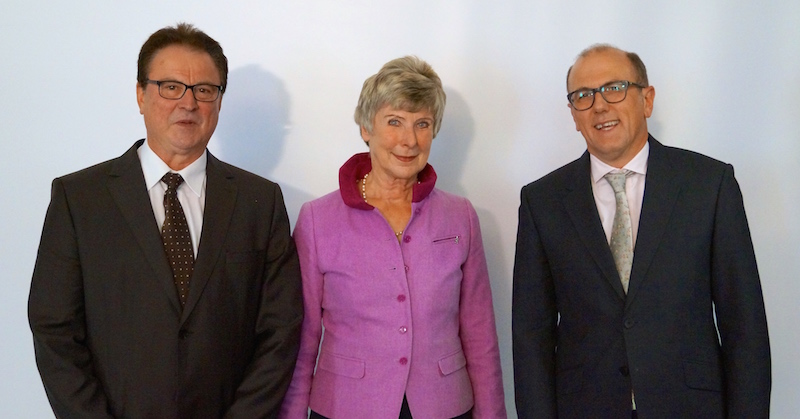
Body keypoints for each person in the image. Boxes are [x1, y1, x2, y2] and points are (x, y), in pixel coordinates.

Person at [28, 23, 303, 418]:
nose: (188, 103)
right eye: (171, 87)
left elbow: (280, 331)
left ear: (219, 101)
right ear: (141, 95)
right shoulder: (79, 198)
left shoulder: (259, 202)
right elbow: (54, 330)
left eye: (204, 90)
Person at [512, 44, 771, 418]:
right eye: (583, 96)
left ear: (646, 100)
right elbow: (531, 337)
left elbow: (744, 325)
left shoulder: (709, 185)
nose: (599, 105)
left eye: (614, 88)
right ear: (573, 115)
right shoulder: (543, 201)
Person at [279, 56, 506, 419]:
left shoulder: (460, 215)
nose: (409, 140)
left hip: (443, 406)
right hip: (346, 406)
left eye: (422, 124)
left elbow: (480, 334)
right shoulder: (318, 220)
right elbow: (301, 338)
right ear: (366, 128)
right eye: (394, 121)